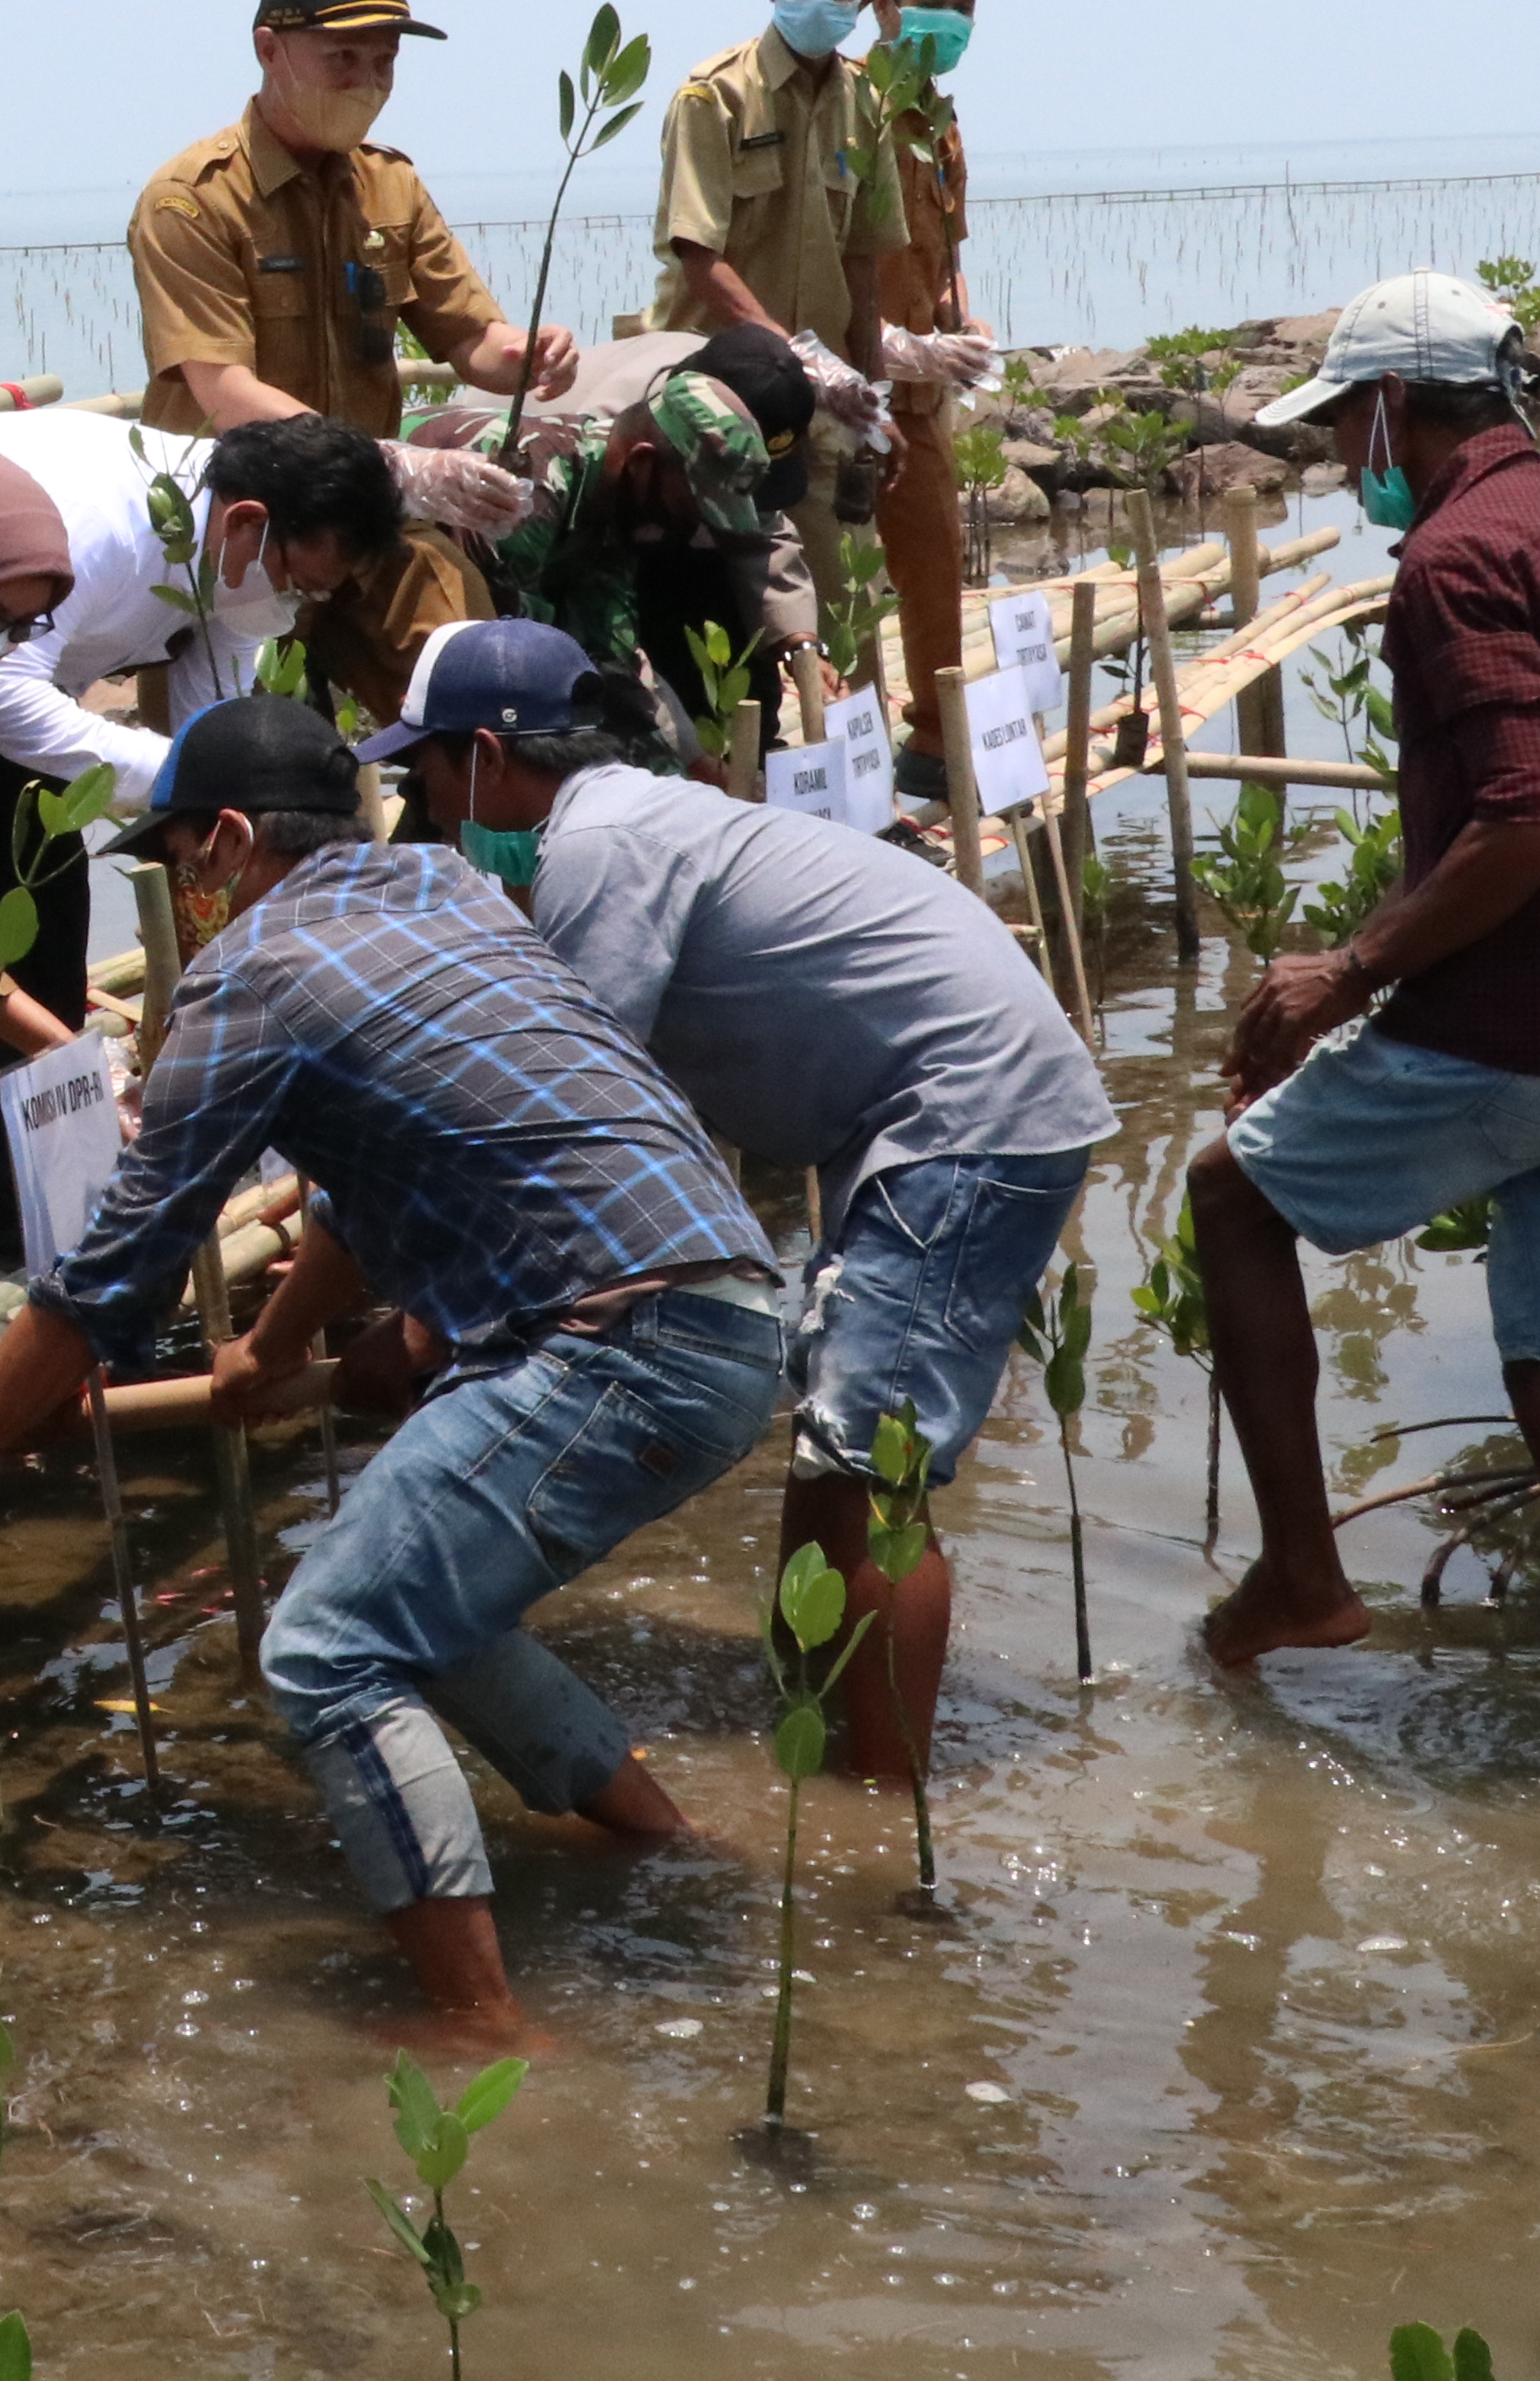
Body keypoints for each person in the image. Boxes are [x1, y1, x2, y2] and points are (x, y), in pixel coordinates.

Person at [0, 696, 789, 2047]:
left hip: (610, 1342)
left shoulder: (257, 971)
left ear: (227, 840)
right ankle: (661, 1846)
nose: (192, 903)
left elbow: (101, 1288)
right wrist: (272, 1353)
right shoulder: (450, 889)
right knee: (419, 1603)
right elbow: (350, 1182)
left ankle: (481, 2025)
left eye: (185, 869)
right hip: (731, 1301)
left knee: (328, 1647)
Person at [389, 619, 1113, 1779]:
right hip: (942, 1115)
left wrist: (428, 1301)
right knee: (841, 1444)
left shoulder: (601, 847)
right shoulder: (634, 817)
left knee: (878, 1466)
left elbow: (564, 1100)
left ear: (484, 755)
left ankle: (880, 1813)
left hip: (960, 1121)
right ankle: (821, 1756)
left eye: (422, 770)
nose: (426, 803)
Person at [1190, 272, 1540, 1728]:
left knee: (1231, 1194)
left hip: (1532, 1025)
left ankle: (1302, 1573)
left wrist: (1342, 975)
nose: (1337, 459)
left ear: (1388, 408)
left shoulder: (1455, 555)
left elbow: (1529, 821)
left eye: (1339, 429)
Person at [0, 405, 406, 1254]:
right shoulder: (98, 535)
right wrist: (177, 778)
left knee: (53, 922)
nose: (299, 604)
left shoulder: (217, 555)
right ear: (250, 521)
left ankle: (42, 1201)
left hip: (23, 674)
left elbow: (210, 722)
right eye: (298, 581)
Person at [129, 0, 579, 725]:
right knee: (243, 772)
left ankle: (439, 843)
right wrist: (401, 461)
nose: (368, 81)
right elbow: (224, 394)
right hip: (239, 532)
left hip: (371, 520)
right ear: (270, 49)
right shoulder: (190, 202)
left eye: (385, 60)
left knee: (479, 701)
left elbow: (473, 338)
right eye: (342, 57)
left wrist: (527, 357)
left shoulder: (391, 186)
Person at [654, 0, 903, 657]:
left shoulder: (868, 103)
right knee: (713, 625)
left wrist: (872, 408)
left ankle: (852, 774)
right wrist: (791, 360)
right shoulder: (714, 97)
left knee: (846, 624)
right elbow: (701, 258)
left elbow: (864, 266)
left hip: (821, 407)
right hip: (710, 401)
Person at [405, 324, 828, 738]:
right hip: (389, 550)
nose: (699, 527)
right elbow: (522, 669)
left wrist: (690, 769)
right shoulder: (527, 494)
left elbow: (613, 656)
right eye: (693, 508)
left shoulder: (622, 498)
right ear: (642, 463)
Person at [867, 0, 990, 773]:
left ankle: (935, 742)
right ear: (883, 2)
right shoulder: (848, 112)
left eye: (963, 9)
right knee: (833, 586)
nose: (947, 23)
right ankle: (840, 756)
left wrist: (963, 322)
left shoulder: (940, 125)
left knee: (937, 567)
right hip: (842, 388)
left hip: (922, 396)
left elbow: (945, 261)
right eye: (931, 6)